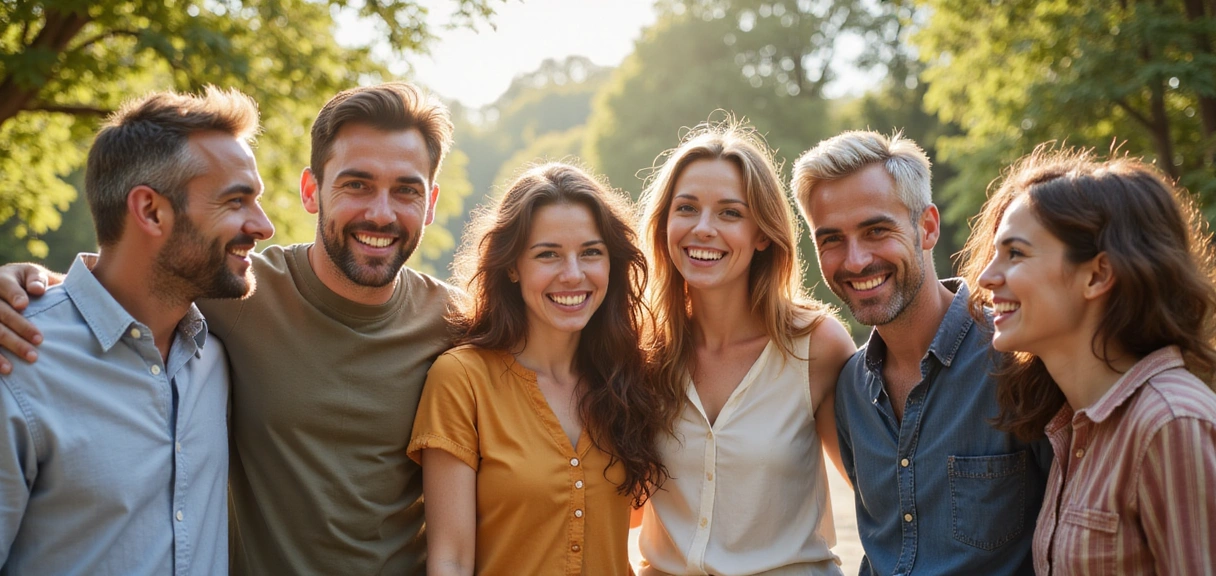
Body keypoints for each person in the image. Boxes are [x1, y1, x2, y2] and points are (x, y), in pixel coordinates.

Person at [0, 82, 459, 574]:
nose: (381, 213)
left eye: (406, 190)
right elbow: (130, 279)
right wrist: (32, 287)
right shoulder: (240, 297)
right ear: (312, 190)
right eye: (357, 184)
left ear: (430, 202)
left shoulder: (461, 325)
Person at [0, 87, 275, 573]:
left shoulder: (217, 353)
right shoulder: (18, 362)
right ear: (150, 211)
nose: (264, 225)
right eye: (237, 200)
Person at [790, 130, 1051, 575]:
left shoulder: (1019, 358)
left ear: (927, 227)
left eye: (876, 230)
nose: (854, 261)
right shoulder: (850, 387)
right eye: (831, 239)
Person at [959, 148, 1216, 574]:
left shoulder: (1172, 424)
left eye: (1016, 254)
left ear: (1097, 275)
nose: (985, 277)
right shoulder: (1071, 428)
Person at [409, 162, 666, 574]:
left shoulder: (628, 379)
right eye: (548, 254)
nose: (573, 274)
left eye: (591, 252)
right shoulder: (462, 379)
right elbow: (451, 561)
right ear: (512, 266)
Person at [636, 119, 856, 576]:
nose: (703, 228)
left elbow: (881, 497)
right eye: (687, 208)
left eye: (730, 213)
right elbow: (621, 507)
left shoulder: (816, 347)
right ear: (665, 223)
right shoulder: (642, 351)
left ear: (762, 233)